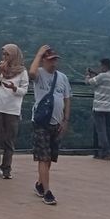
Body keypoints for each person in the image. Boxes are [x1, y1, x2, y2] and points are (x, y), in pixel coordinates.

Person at [28, 45, 72, 206]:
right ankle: (47, 191)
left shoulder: (62, 78)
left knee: (49, 158)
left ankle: (40, 183)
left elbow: (67, 99)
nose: (54, 63)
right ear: (44, 61)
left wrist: (66, 120)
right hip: (41, 122)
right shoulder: (39, 74)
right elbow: (31, 73)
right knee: (43, 157)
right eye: (51, 60)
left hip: (56, 122)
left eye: (55, 60)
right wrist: (38, 54)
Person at [0, 44, 29, 179]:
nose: (4, 57)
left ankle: (6, 169)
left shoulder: (22, 71)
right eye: (3, 54)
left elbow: (25, 90)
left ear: (14, 56)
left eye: (7, 55)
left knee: (9, 141)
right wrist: (0, 73)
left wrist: (15, 88)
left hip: (13, 109)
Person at [85, 58, 110, 160]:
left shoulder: (102, 76)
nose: (100, 68)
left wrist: (88, 75)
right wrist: (96, 74)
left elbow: (89, 82)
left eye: (101, 66)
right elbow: (101, 81)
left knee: (101, 131)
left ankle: (105, 153)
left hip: (99, 107)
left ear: (104, 66)